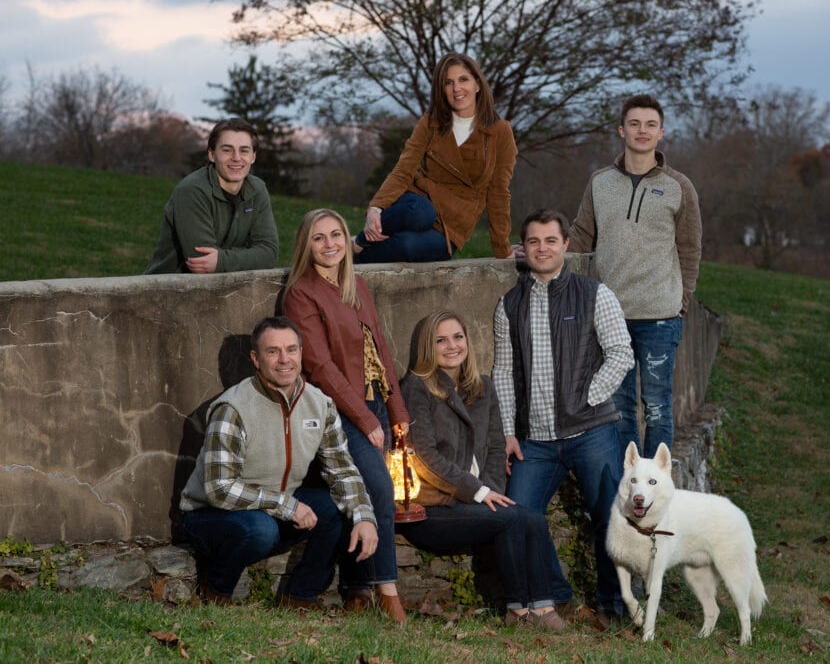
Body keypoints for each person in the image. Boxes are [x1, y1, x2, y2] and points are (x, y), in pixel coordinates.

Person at [493, 210, 634, 621]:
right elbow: (503, 370)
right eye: (534, 241)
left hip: (591, 429)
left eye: (550, 241)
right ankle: (555, 595)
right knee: (519, 516)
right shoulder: (509, 304)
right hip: (534, 439)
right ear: (524, 248)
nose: (542, 249)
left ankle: (616, 606)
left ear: (565, 244)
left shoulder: (595, 294)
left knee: (612, 516)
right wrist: (506, 430)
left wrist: (589, 395)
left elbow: (621, 353)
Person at [179, 316, 378, 608]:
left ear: (301, 352)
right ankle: (216, 590)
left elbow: (342, 470)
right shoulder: (233, 408)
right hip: (210, 515)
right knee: (260, 530)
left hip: (274, 504)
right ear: (256, 359)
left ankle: (299, 597)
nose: (285, 359)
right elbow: (219, 489)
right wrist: (287, 506)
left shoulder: (320, 404)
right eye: (273, 351)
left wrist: (364, 516)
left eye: (292, 349)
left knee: (338, 508)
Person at [399, 310, 565, 631]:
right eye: (440, 340)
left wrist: (489, 493)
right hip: (433, 507)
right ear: (427, 347)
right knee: (513, 517)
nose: (452, 346)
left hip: (473, 499)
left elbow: (493, 449)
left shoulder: (483, 387)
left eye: (458, 337)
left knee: (531, 517)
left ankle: (543, 607)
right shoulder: (417, 387)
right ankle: (518, 612)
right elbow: (424, 456)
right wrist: (478, 492)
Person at [282, 208, 409, 623]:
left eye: (336, 234)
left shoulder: (358, 286)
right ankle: (387, 591)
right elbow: (318, 365)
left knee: (363, 495)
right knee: (378, 490)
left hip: (373, 402)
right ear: (306, 245)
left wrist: (396, 411)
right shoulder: (301, 293)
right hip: (337, 412)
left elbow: (381, 351)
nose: (330, 244)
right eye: (319, 238)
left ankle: (356, 589)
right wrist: (365, 419)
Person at [568, 94, 702, 459]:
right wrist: (542, 250)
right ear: (621, 129)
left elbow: (690, 249)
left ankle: (658, 491)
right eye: (635, 123)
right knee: (620, 410)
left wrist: (682, 301)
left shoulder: (679, 186)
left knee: (657, 406)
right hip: (610, 315)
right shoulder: (599, 182)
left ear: (661, 133)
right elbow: (580, 238)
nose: (642, 131)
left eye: (650, 125)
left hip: (660, 317)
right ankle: (629, 489)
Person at [354, 52, 518, 263]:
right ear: (441, 90)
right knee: (421, 212)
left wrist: (503, 249)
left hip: (452, 226)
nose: (456, 88)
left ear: (478, 84)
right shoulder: (430, 123)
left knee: (406, 245)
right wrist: (375, 209)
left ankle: (353, 260)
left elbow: (498, 193)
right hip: (419, 203)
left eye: (463, 80)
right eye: (448, 82)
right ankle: (359, 241)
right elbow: (404, 170)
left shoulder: (500, 132)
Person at [145, 118, 279, 274]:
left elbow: (269, 253)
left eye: (244, 150)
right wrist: (249, 256)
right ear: (212, 154)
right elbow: (201, 261)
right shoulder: (192, 191)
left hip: (225, 290)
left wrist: (221, 260)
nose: (236, 157)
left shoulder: (257, 190)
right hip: (166, 290)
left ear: (253, 156)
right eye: (227, 150)